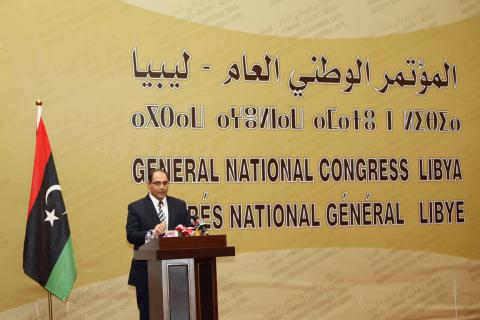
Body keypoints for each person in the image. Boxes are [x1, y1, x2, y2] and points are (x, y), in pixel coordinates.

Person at [126, 169, 192, 320]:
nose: (162, 187)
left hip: (178, 273)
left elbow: (189, 231)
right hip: (147, 274)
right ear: (148, 184)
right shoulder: (136, 207)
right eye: (157, 183)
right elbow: (131, 235)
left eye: (165, 183)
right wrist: (152, 233)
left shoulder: (179, 205)